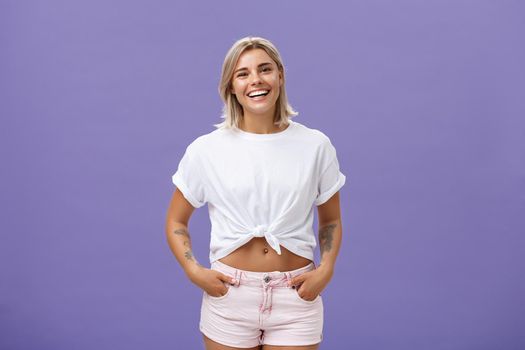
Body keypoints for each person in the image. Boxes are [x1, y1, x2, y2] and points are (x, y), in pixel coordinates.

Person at [165, 36, 346, 350]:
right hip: (231, 297)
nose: (256, 80)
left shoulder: (316, 145)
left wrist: (326, 269)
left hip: (296, 296)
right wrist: (194, 271)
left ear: (280, 76)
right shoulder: (206, 150)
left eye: (265, 69)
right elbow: (176, 221)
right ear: (231, 86)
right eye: (243, 73)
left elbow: (330, 220)